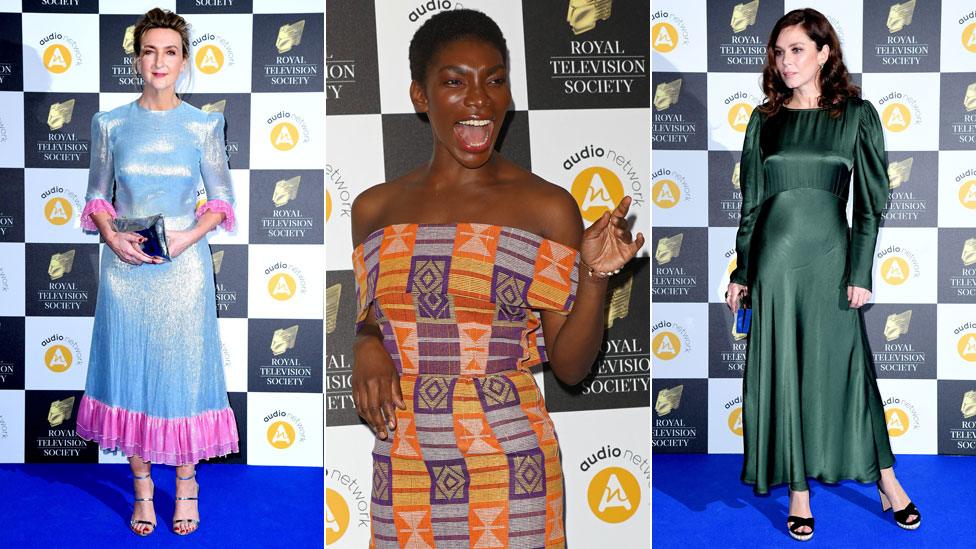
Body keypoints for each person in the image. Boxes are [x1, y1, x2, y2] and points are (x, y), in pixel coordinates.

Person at [350, 9, 643, 548]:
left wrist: (595, 275)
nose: (479, 99)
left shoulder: (546, 206)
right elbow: (376, 316)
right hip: (405, 457)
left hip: (511, 462)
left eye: (494, 79)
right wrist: (365, 343)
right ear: (421, 96)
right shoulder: (373, 209)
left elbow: (572, 368)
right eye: (454, 81)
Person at [725, 8, 920, 542]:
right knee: (784, 371)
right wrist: (743, 270)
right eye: (779, 52)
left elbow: (871, 203)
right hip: (774, 266)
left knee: (850, 373)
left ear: (824, 54)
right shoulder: (764, 120)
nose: (786, 62)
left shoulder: (857, 114)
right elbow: (752, 204)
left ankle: (887, 482)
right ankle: (798, 492)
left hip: (833, 261)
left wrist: (861, 270)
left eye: (797, 50)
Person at [75, 8, 239, 537]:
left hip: (182, 271)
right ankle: (143, 493)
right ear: (137, 59)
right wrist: (110, 235)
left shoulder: (203, 124)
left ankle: (187, 487)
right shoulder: (110, 124)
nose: (159, 61)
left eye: (170, 51)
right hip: (125, 273)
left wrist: (187, 239)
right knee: (133, 376)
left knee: (181, 378)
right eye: (149, 51)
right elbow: (98, 194)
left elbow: (221, 200)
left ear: (184, 60)